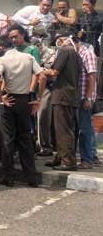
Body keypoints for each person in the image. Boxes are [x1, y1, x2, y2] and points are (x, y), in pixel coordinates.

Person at [0, 35, 45, 187]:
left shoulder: (2, 60)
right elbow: (41, 76)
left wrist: (1, 97)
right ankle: (32, 177)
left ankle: (8, 176)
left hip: (9, 99)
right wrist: (39, 98)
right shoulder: (28, 57)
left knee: (7, 139)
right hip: (25, 99)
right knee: (25, 138)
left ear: (1, 48)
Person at [42, 31, 81, 171]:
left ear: (63, 40)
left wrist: (41, 69)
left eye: (58, 41)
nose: (57, 44)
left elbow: (54, 72)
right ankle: (60, 157)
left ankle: (68, 162)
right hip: (71, 95)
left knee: (62, 129)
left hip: (63, 95)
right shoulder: (76, 54)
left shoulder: (65, 51)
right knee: (65, 128)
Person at [73, 35, 99, 169]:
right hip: (78, 96)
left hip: (84, 96)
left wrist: (88, 98)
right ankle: (92, 156)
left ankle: (87, 159)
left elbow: (92, 76)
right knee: (83, 128)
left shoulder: (87, 53)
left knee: (85, 129)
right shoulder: (77, 54)